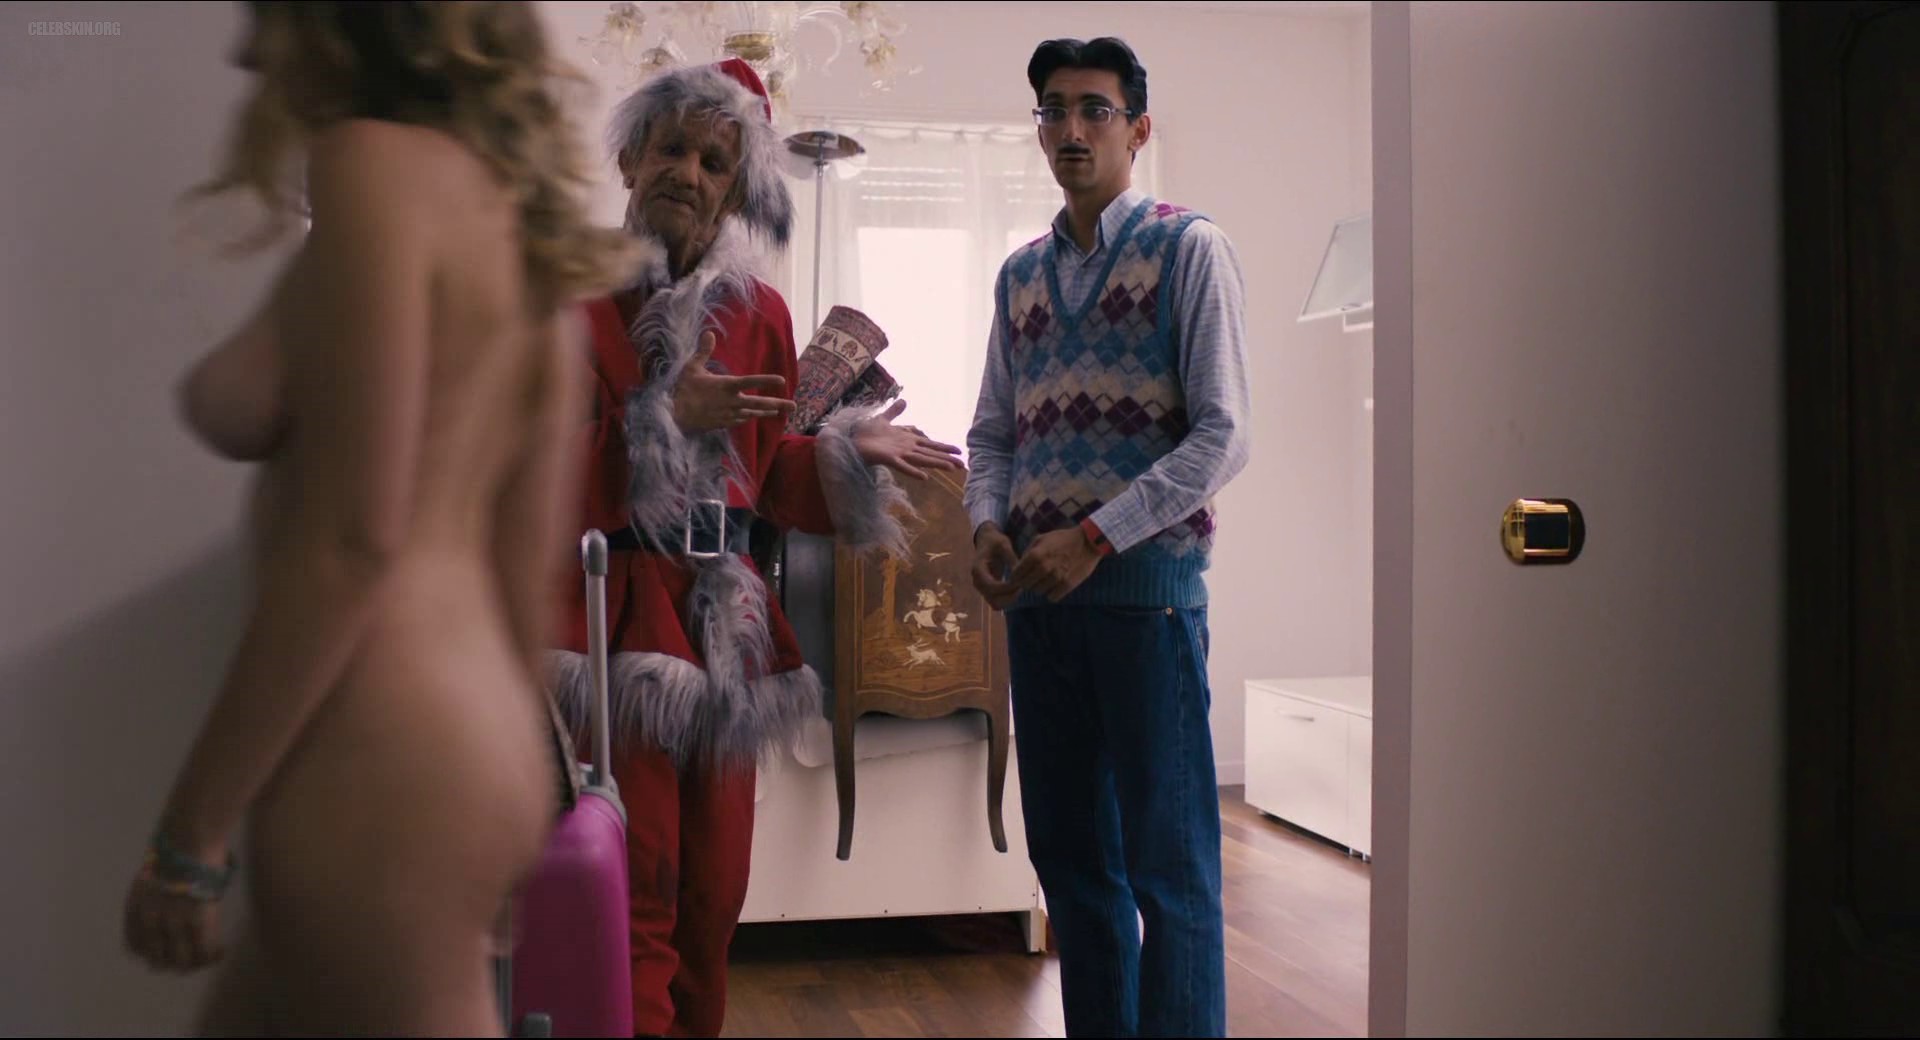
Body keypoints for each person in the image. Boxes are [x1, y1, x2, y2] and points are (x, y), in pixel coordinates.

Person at [122, 3, 641, 1034]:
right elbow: (520, 564)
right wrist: (517, 796)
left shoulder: (371, 166)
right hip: (479, 747)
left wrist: (189, 837)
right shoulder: (522, 237)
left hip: (379, 755)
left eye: (269, 14)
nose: (245, 49)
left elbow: (354, 540)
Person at [541, 57, 962, 1038]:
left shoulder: (761, 315)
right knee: (636, 884)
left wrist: (846, 454)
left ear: (738, 188)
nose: (688, 173)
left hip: (727, 629)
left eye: (714, 161)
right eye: (671, 149)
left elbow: (764, 478)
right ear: (630, 159)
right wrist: (660, 418)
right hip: (617, 620)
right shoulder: (569, 295)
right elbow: (531, 480)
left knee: (715, 891)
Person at [963, 35, 1252, 1039]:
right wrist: (985, 522)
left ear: (1139, 129)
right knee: (1074, 872)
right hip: (1040, 613)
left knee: (1171, 874)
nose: (1072, 129)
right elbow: (993, 434)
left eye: (1095, 109)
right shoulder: (1019, 276)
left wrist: (1094, 537)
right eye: (1054, 109)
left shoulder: (1188, 249)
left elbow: (1224, 435)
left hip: (1147, 606)